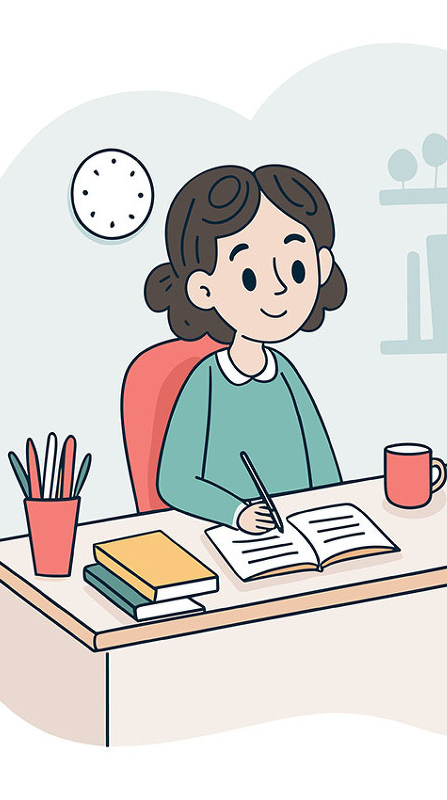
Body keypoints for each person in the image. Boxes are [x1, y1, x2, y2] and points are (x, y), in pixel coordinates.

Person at [144, 164, 347, 533]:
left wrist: (335, 517)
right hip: (226, 537)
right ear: (203, 290)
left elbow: (323, 466)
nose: (280, 289)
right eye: (250, 278)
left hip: (303, 533)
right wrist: (236, 513)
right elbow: (174, 481)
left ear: (321, 268)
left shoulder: (284, 373)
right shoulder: (206, 382)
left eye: (297, 270)